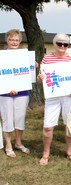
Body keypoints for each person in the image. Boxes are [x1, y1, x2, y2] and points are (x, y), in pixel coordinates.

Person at [37, 33, 71, 165]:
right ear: (54, 44)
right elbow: (41, 79)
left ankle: (69, 151)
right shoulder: (46, 59)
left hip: (70, 96)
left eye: (65, 44)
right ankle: (46, 153)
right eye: (59, 43)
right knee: (48, 127)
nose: (62, 46)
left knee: (69, 125)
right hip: (53, 97)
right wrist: (40, 79)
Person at [0, 29, 30, 157]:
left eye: (16, 40)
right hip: (5, 93)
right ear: (7, 40)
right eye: (11, 39)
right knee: (8, 118)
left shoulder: (25, 56)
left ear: (20, 41)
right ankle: (8, 145)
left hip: (22, 92)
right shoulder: (1, 56)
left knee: (20, 117)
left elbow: (29, 72)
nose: (14, 42)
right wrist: (8, 87)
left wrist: (33, 66)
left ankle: (18, 143)